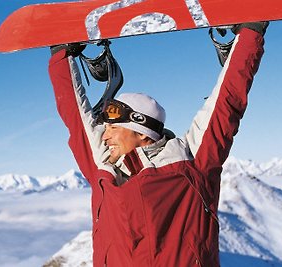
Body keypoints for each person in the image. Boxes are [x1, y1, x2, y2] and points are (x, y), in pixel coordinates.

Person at [48, 22, 268, 267]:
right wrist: (61, 55)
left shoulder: (192, 162)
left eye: (114, 127)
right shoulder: (104, 167)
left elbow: (227, 103)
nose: (105, 135)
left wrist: (250, 35)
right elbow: (74, 116)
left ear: (141, 133)